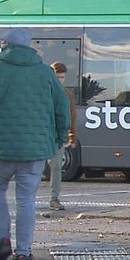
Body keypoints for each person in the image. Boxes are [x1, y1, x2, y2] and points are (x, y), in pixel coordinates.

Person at [0, 28, 70, 260]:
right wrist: (57, 140)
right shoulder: (46, 74)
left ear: (5, 45)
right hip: (34, 150)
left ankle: (1, 240)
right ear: (29, 46)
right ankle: (23, 253)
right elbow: (62, 110)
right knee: (26, 199)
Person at [47, 61, 78, 210]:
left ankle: (54, 199)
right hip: (43, 135)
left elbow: (72, 116)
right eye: (57, 77)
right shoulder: (44, 92)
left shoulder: (67, 95)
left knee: (57, 167)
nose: (60, 80)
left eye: (62, 77)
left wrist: (72, 135)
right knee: (35, 167)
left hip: (57, 136)